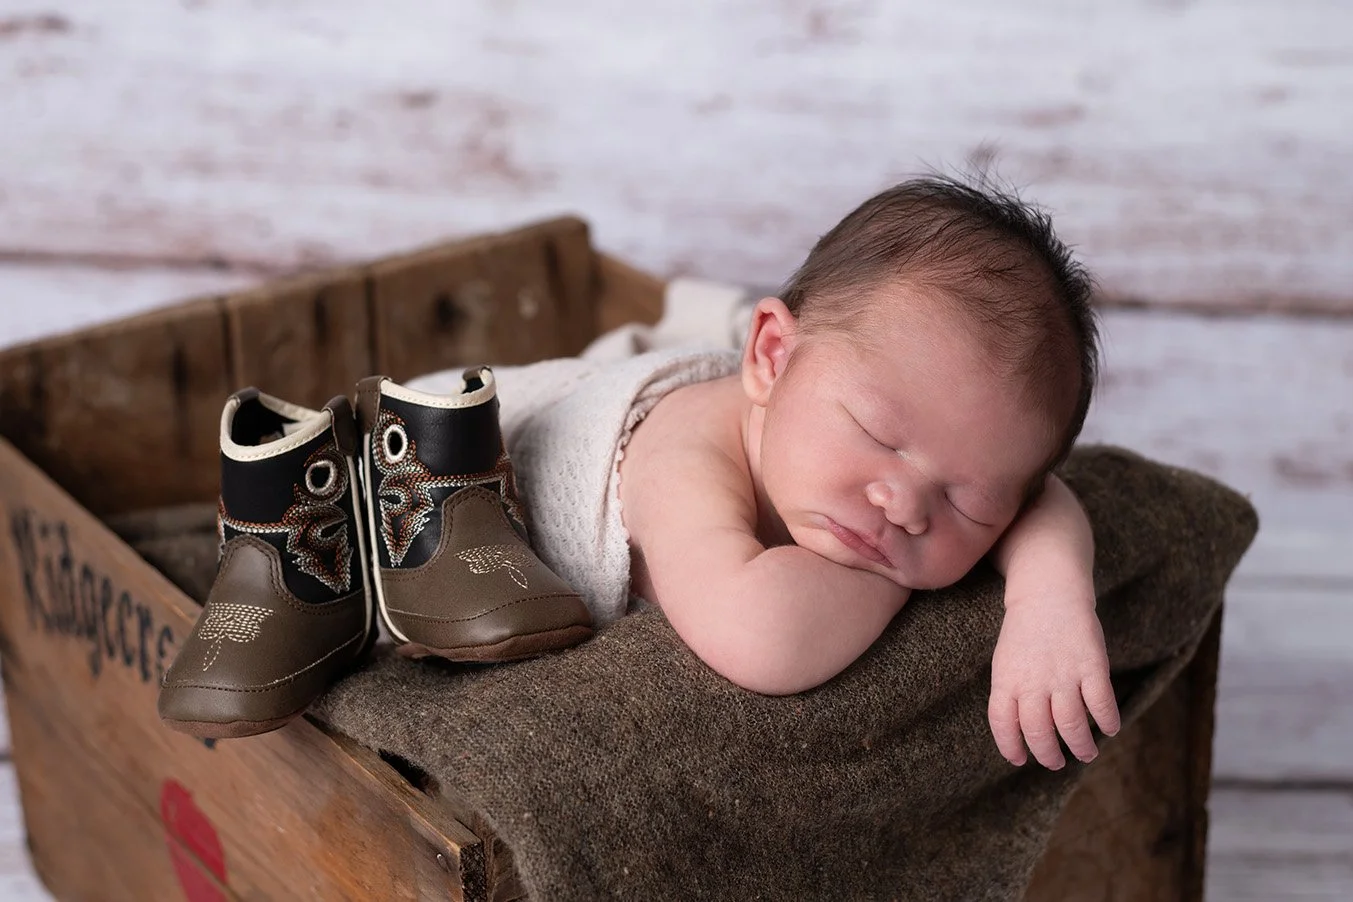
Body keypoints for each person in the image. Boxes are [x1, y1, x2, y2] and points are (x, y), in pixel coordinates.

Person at [613, 175, 1120, 771]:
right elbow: (760, 635)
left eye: (968, 502)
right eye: (877, 434)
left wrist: (1050, 601)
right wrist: (897, 580)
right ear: (773, 358)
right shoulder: (682, 455)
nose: (904, 507)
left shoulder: (877, 431)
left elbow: (1041, 497)